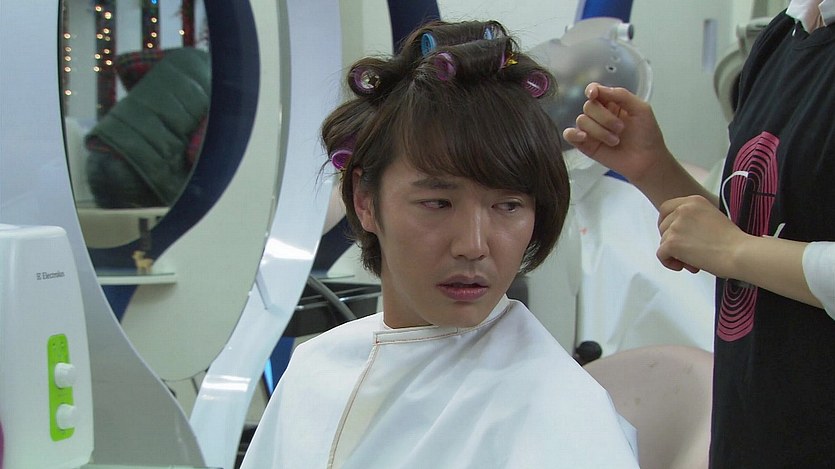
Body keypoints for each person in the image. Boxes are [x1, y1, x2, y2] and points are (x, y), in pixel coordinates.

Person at [240, 20, 639, 469]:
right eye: (437, 203)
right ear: (365, 199)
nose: (473, 245)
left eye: (507, 205)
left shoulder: (562, 418)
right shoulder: (314, 370)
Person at [563, 1, 835, 467]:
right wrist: (653, 168)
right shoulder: (785, 36)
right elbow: (762, 236)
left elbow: (741, 248)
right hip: (750, 434)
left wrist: (734, 249)